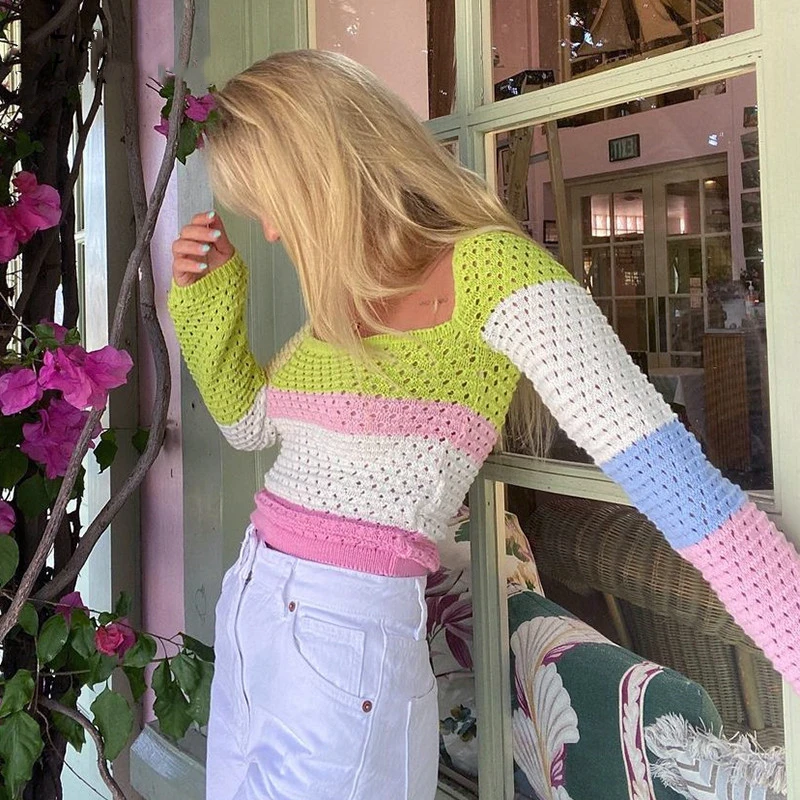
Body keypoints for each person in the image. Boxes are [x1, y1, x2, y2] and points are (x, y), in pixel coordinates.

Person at [168, 49, 800, 800]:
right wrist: (206, 303)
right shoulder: (341, 305)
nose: (271, 232)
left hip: (343, 640)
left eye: (271, 203)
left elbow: (681, 489)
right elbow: (249, 424)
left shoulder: (494, 273)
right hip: (253, 604)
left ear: (323, 173)